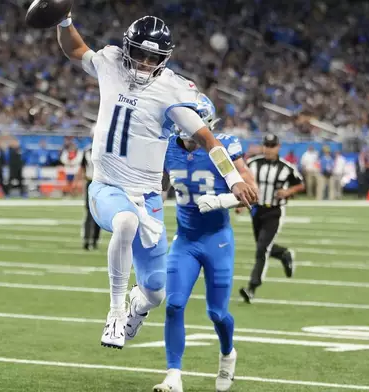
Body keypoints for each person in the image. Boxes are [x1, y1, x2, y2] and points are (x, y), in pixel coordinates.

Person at [56, 12, 257, 349]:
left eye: (154, 57)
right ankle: (116, 313)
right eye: (139, 53)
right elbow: (74, 48)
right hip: (107, 187)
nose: (146, 62)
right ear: (126, 47)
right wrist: (63, 21)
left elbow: (210, 140)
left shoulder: (171, 90)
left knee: (156, 292)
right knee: (124, 222)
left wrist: (234, 179)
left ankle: (136, 306)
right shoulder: (110, 63)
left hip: (146, 196)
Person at [154, 94, 255, 392]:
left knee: (217, 313)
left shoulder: (223, 147)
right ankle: (173, 374)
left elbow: (252, 192)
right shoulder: (167, 148)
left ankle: (227, 354)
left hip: (217, 241)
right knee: (173, 304)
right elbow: (157, 188)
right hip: (185, 240)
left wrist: (223, 199)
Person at [239, 133, 305, 304]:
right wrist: (239, 202)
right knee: (263, 246)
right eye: (266, 145)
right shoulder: (252, 163)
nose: (269, 149)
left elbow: (300, 183)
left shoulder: (286, 167)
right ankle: (284, 254)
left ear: (278, 147)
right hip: (256, 210)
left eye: (272, 146)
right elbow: (240, 181)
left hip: (274, 211)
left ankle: (251, 287)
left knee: (261, 249)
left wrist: (288, 192)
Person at [77, 144, 100, 250]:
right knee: (90, 212)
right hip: (91, 182)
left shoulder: (102, 148)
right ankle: (87, 239)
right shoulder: (87, 150)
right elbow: (82, 167)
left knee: (98, 213)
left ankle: (94, 239)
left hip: (100, 182)